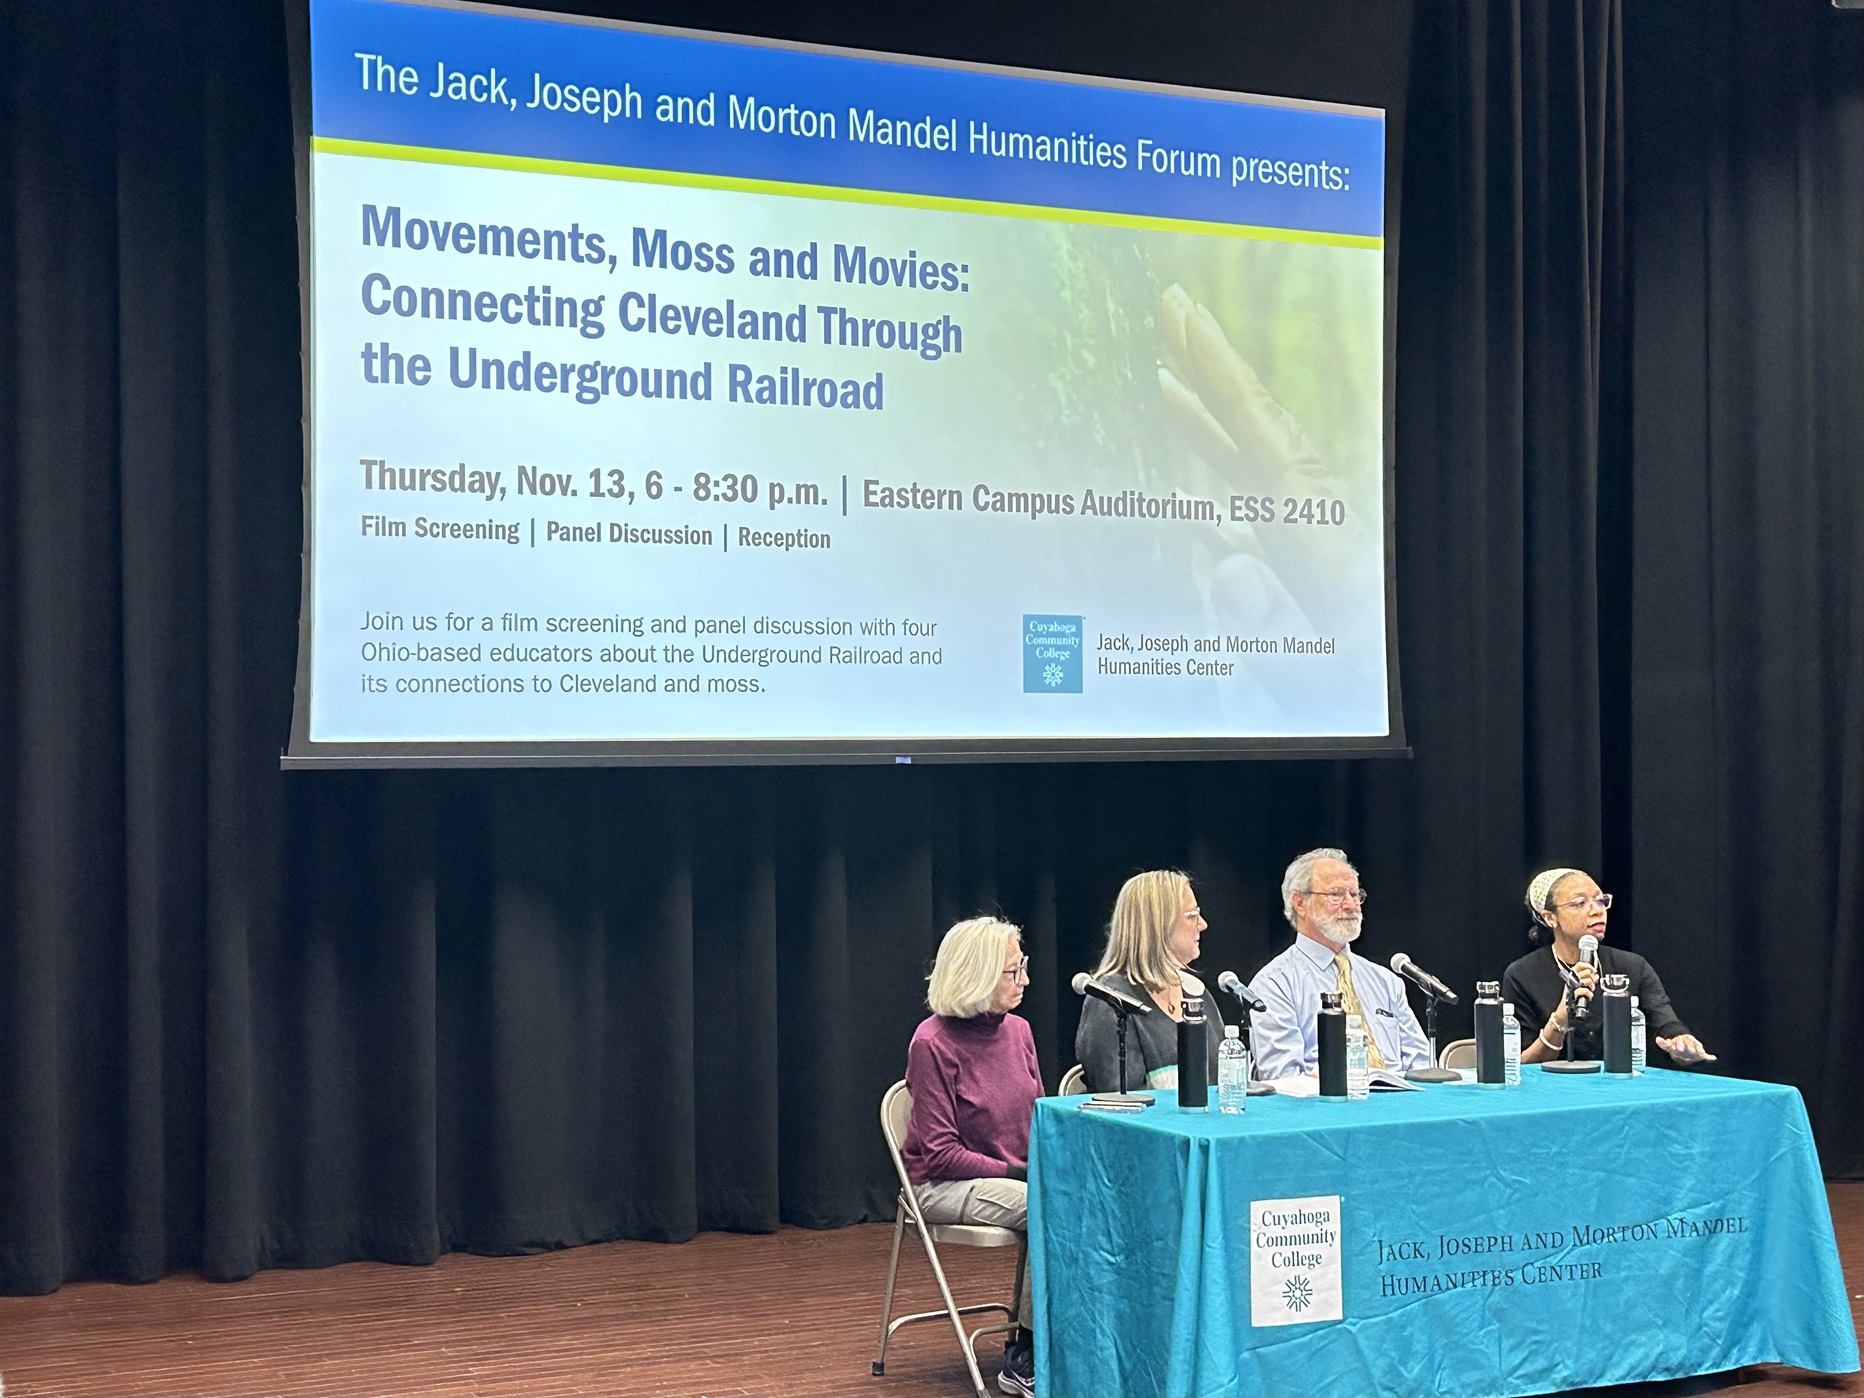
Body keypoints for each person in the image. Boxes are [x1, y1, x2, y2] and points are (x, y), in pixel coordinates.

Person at [901, 916, 1044, 1398]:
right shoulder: (932, 1043)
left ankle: (1071, 1337)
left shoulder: (1019, 1031)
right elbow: (941, 1155)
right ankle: (1026, 1352)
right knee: (1045, 1206)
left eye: (1022, 966)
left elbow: (1038, 1118)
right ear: (977, 975)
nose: (1024, 979)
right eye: (1012, 971)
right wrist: (1019, 1172)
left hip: (1016, 1176)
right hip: (942, 1186)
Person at [1249, 847, 1431, 1078]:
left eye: (1355, 895)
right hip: (1324, 1105)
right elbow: (1284, 1077)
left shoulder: (1385, 980)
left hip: (1398, 1102)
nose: (1351, 905)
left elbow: (1422, 1063)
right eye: (1336, 894)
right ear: (1300, 903)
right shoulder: (1274, 983)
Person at [1506, 868, 1715, 1067]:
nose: (1597, 911)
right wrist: (1559, 1020)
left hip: (1619, 1088)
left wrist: (1682, 1043)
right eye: (1579, 903)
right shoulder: (1522, 975)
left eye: (1600, 900)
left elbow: (1666, 1025)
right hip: (1554, 1093)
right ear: (1549, 917)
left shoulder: (1632, 966)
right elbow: (1523, 1063)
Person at [1074, 870, 1226, 1094]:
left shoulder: (1196, 992)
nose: (1202, 924)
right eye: (1191, 915)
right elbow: (1121, 1101)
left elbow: (1222, 1079)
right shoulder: (1110, 1002)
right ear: (1159, 924)